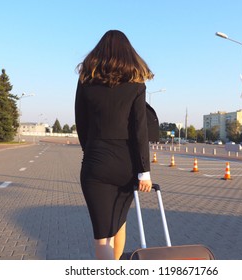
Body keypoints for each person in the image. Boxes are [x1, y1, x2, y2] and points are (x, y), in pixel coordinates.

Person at [75, 30, 154, 260]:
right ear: (129, 54)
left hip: (96, 160)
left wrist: (90, 152)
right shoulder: (136, 85)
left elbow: (81, 121)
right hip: (126, 165)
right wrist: (144, 172)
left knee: (102, 235)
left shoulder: (86, 81)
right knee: (118, 222)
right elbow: (140, 130)